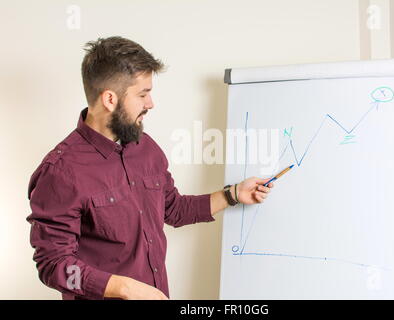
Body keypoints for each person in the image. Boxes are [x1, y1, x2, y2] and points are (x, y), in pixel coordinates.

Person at [26, 36, 274, 300]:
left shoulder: (146, 149)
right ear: (110, 99)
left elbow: (174, 209)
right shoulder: (60, 171)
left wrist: (233, 194)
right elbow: (53, 265)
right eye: (143, 94)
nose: (150, 103)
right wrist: (124, 288)